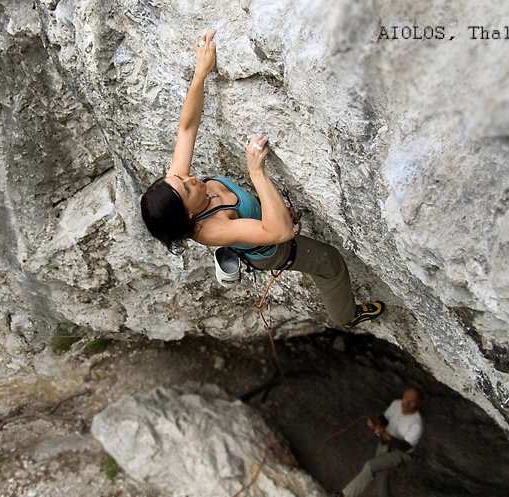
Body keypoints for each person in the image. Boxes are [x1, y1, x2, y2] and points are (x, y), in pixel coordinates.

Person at [139, 29, 383, 327]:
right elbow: (280, 232)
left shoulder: (178, 187)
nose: (188, 179)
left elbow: (187, 128)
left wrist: (201, 72)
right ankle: (347, 317)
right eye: (186, 188)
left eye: (181, 179)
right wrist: (257, 172)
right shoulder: (211, 229)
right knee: (330, 262)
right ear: (190, 213)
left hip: (257, 225)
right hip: (271, 250)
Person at [335, 387, 424, 497]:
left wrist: (384, 434)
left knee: (370, 466)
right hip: (385, 444)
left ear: (418, 404)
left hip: (401, 452)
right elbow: (384, 418)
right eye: (405, 399)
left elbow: (405, 447)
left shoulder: (417, 423)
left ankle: (344, 495)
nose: (406, 404)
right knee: (381, 477)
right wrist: (375, 422)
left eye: (412, 402)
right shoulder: (397, 404)